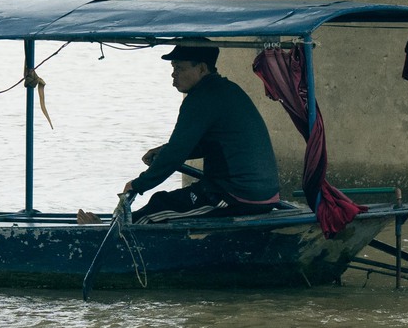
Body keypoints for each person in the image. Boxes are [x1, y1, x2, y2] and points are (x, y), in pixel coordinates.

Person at [79, 43, 281, 224]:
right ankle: (112, 226)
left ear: (201, 68)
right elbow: (210, 144)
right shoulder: (226, 90)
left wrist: (137, 184)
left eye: (179, 68)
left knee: (155, 211)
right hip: (259, 193)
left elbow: (175, 154)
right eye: (173, 68)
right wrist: (164, 152)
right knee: (164, 202)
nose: (173, 74)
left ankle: (105, 232)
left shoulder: (201, 98)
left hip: (236, 197)